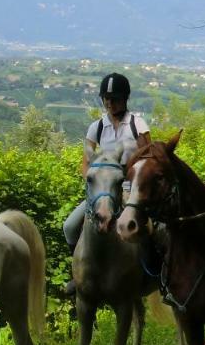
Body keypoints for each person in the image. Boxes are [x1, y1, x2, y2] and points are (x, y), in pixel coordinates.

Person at [62, 72, 152, 296]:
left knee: (154, 229)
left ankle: (152, 273)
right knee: (70, 226)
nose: (110, 103)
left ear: (125, 98)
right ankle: (78, 275)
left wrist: (133, 184)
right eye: (106, 99)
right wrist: (94, 185)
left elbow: (148, 158)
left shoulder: (137, 125)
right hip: (103, 192)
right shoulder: (97, 127)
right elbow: (86, 164)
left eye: (115, 98)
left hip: (132, 191)